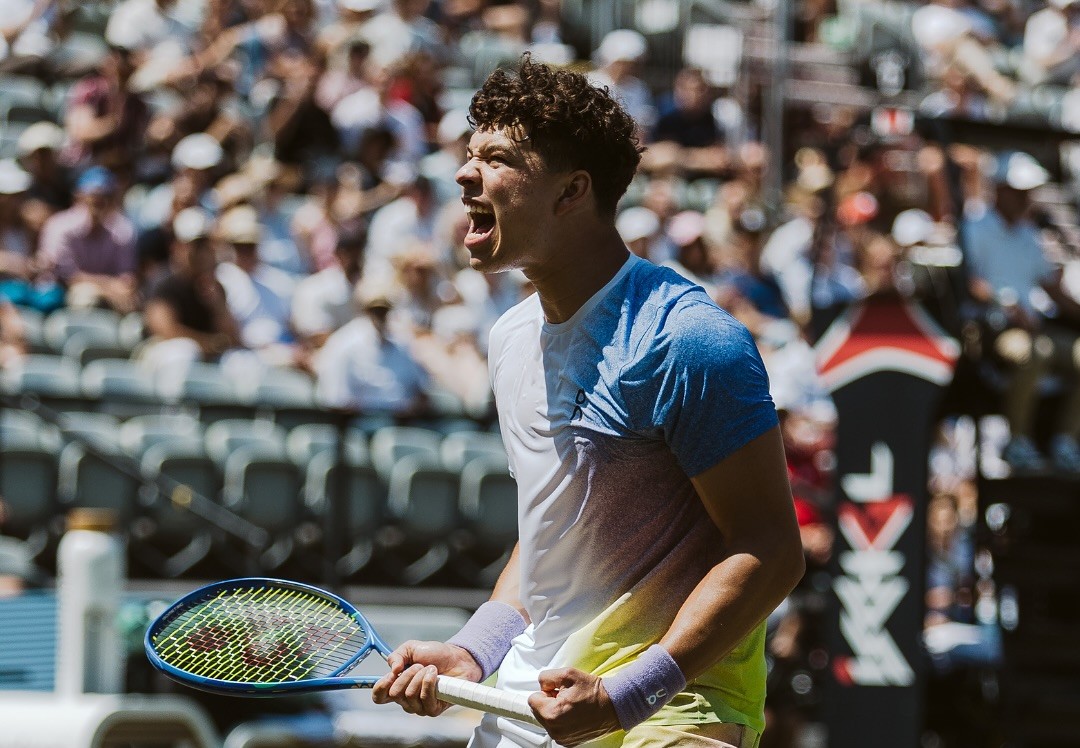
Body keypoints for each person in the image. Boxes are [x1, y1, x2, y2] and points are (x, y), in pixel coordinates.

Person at [371, 56, 804, 748]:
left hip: (678, 707)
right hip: (538, 697)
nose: (464, 175)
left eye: (497, 159)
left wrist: (626, 696)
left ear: (572, 191)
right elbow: (551, 533)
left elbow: (772, 550)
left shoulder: (689, 340)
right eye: (469, 154)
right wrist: (475, 650)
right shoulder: (510, 338)